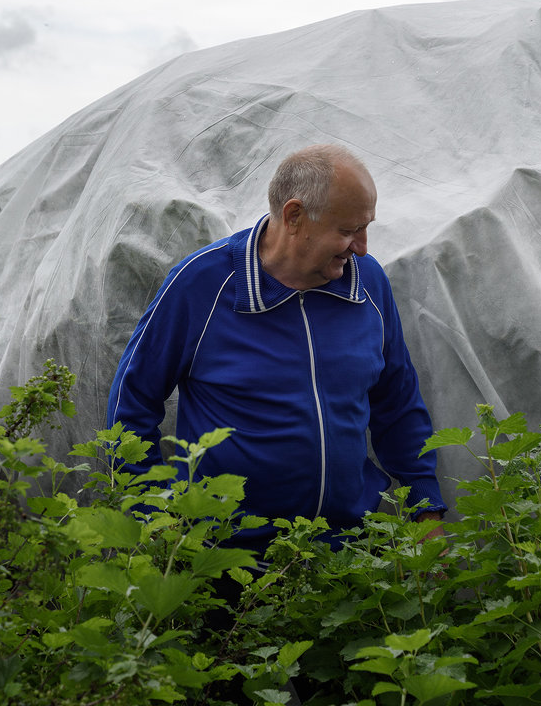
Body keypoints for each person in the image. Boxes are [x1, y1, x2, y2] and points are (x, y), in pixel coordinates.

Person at [107, 144, 445, 551]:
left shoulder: (367, 284)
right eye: (348, 230)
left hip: (352, 555)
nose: (362, 247)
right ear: (294, 216)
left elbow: (398, 403)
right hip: (226, 560)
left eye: (366, 227)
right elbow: (132, 401)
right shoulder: (202, 285)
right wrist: (152, 515)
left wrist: (426, 511)